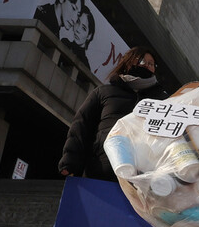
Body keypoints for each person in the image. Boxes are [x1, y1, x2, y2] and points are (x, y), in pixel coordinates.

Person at [59, 46, 167, 181]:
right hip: (100, 169)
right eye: (142, 61)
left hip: (143, 179)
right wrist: (71, 162)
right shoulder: (104, 92)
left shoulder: (163, 102)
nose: (147, 66)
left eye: (151, 64)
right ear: (128, 62)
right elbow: (81, 125)